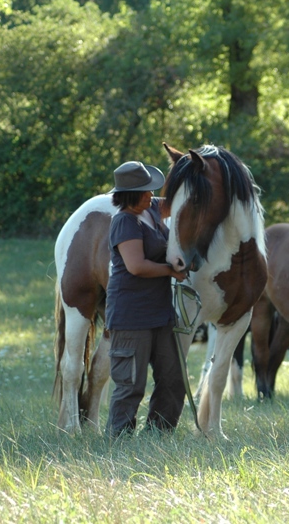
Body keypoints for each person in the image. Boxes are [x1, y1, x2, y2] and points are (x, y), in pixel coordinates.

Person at [105, 160, 188, 438]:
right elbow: (136, 266)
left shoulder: (151, 209)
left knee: (173, 378)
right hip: (131, 317)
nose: (151, 195)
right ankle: (119, 440)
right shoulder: (124, 222)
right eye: (145, 192)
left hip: (161, 313)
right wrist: (171, 271)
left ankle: (159, 435)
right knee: (130, 385)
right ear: (130, 196)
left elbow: (179, 200)